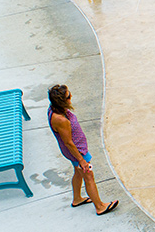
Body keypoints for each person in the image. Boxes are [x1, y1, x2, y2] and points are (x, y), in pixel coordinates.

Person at [48, 85, 118, 215]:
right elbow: (68, 142)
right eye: (68, 97)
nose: (71, 97)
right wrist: (81, 160)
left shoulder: (54, 110)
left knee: (78, 173)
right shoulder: (60, 119)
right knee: (88, 176)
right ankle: (100, 206)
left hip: (77, 150)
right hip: (77, 152)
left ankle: (77, 199)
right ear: (61, 101)